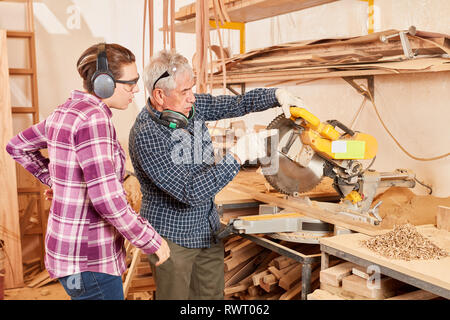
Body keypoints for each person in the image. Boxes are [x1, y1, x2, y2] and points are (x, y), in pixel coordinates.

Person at [128, 49, 304, 300]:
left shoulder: (191, 108)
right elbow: (190, 192)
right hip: (172, 239)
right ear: (159, 95)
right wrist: (237, 156)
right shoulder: (146, 135)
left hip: (206, 230)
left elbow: (236, 103)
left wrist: (275, 95)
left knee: (211, 299)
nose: (192, 98)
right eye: (184, 91)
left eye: (192, 88)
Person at [6, 43, 170, 300]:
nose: (136, 89)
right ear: (103, 83)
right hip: (91, 259)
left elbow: (17, 146)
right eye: (130, 83)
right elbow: (107, 201)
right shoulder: (94, 119)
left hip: (70, 256)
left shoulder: (67, 111)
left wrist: (60, 183)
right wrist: (151, 240)